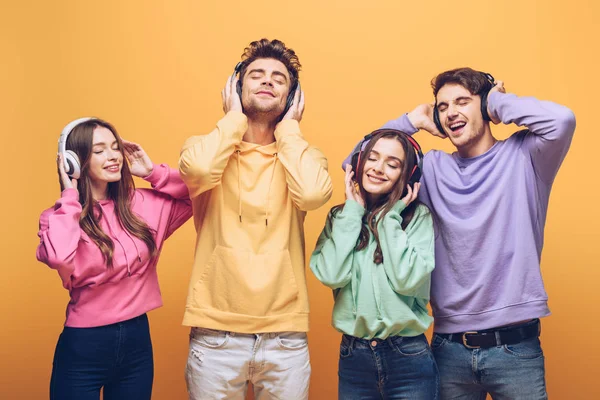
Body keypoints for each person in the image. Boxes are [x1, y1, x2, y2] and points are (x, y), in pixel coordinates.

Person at [376, 67, 576, 399]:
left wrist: (497, 102)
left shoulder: (527, 156)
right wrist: (412, 120)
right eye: (442, 107)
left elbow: (562, 120)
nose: (451, 112)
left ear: (482, 107)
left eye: (462, 101)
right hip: (447, 349)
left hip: (516, 350)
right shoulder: (431, 169)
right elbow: (360, 164)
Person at [178, 38, 332, 399]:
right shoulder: (202, 146)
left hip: (285, 336)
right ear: (235, 87)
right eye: (256, 75)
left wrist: (290, 130)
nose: (267, 81)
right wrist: (233, 117)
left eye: (279, 79)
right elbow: (198, 170)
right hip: (216, 334)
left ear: (292, 99)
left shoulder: (304, 156)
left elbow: (311, 193)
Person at [36, 117, 193, 400]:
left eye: (115, 147)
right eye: (99, 151)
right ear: (74, 161)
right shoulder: (59, 218)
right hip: (84, 345)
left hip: (137, 342)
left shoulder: (144, 205)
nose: (113, 157)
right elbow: (59, 257)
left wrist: (152, 172)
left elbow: (198, 195)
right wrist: (69, 194)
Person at [311, 128, 438, 399]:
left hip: (408, 356)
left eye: (393, 164)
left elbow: (407, 279)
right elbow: (332, 275)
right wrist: (353, 212)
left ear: (408, 176)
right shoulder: (340, 218)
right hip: (354, 357)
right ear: (358, 162)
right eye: (373, 158)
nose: (379, 169)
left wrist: (390, 218)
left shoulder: (418, 219)